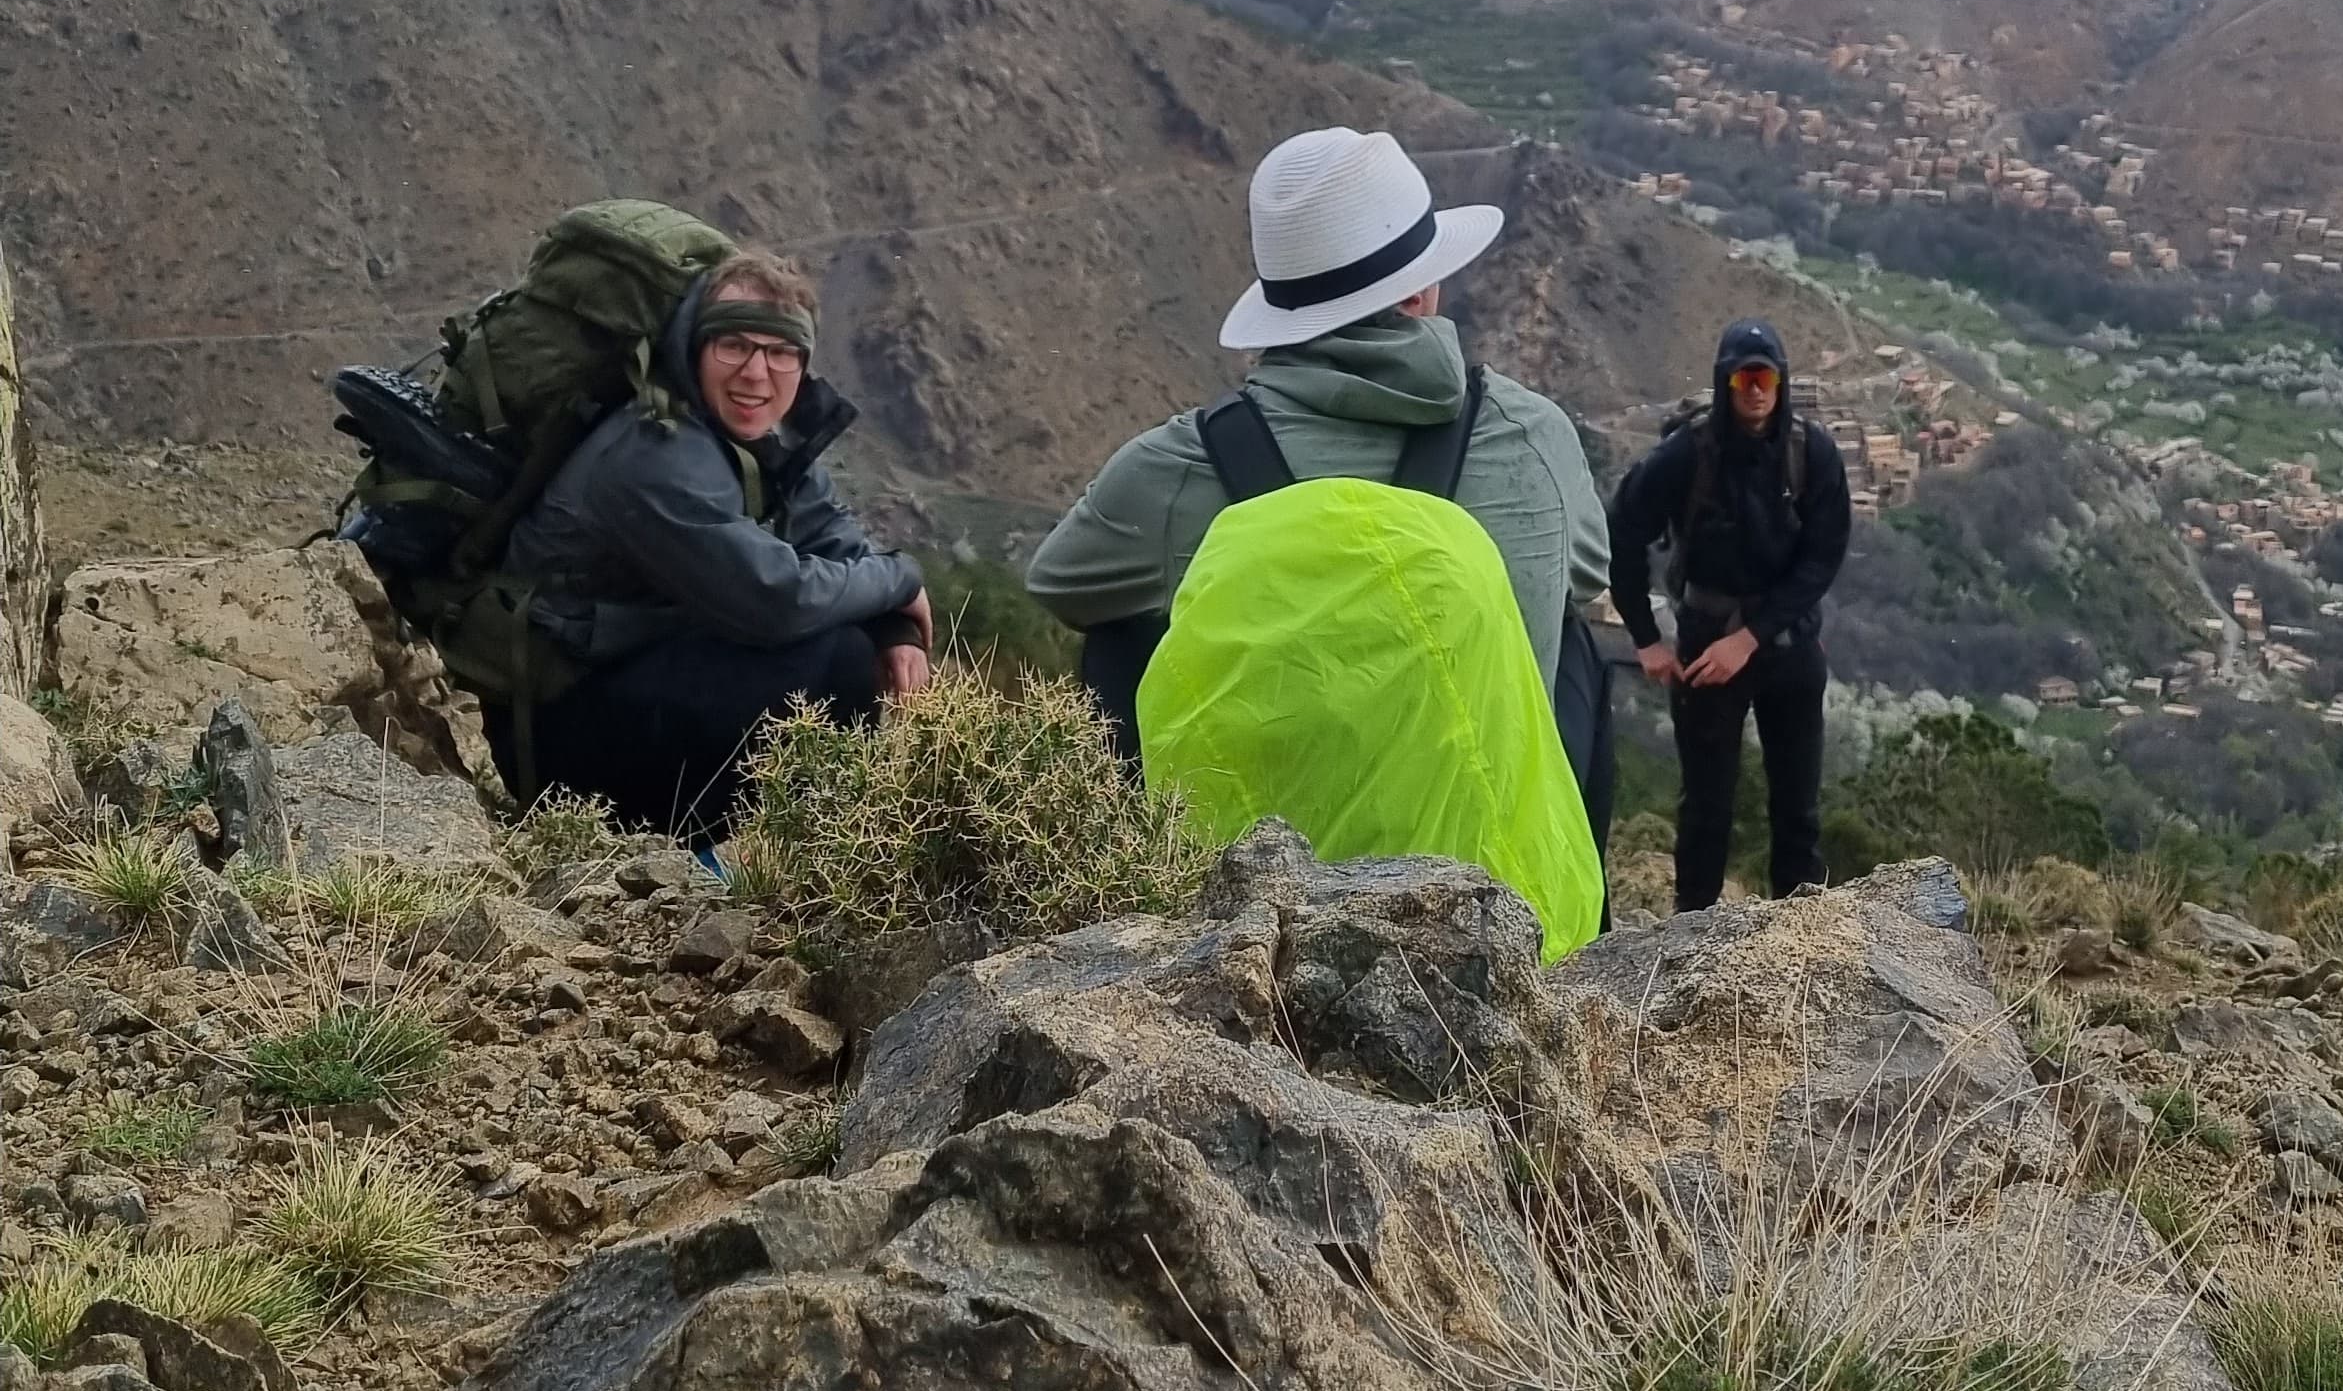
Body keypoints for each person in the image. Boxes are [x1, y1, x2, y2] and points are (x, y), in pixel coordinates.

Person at [1025, 123, 1613, 718]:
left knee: (1119, 640)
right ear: (1415, 296)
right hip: (1484, 808)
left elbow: (1063, 585)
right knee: (1574, 652)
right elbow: (1587, 575)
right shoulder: (1534, 435)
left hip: (1260, 812)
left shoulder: (1177, 468)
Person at [505, 246, 933, 835]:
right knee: (838, 662)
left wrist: (894, 623)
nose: (756, 374)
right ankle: (681, 847)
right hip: (549, 733)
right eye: (734, 346)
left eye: (781, 352)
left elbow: (832, 537)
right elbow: (777, 601)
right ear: (696, 348)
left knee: (849, 634)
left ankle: (755, 846)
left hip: (632, 675)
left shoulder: (746, 435)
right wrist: (902, 581)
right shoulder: (654, 452)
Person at [1608, 318, 1850, 909]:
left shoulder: (1811, 452)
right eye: (1743, 377)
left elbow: (1821, 560)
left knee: (1798, 810)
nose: (1756, 389)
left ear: (1781, 380)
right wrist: (1646, 638)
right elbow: (1624, 534)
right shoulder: (1684, 456)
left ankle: (1804, 949)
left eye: (1766, 376)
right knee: (1706, 810)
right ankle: (1692, 947)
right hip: (1704, 643)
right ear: (1725, 382)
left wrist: (1752, 637)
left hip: (1788, 645)